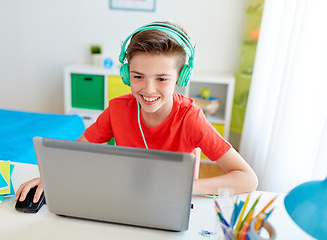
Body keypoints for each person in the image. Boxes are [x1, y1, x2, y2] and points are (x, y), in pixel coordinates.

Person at [16, 21, 258, 204]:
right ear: (126, 74)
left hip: (172, 202)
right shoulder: (117, 109)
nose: (148, 89)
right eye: (138, 76)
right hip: (126, 197)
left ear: (181, 77)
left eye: (162, 78)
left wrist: (183, 186)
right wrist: (51, 176)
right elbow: (76, 153)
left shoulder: (190, 118)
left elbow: (247, 179)